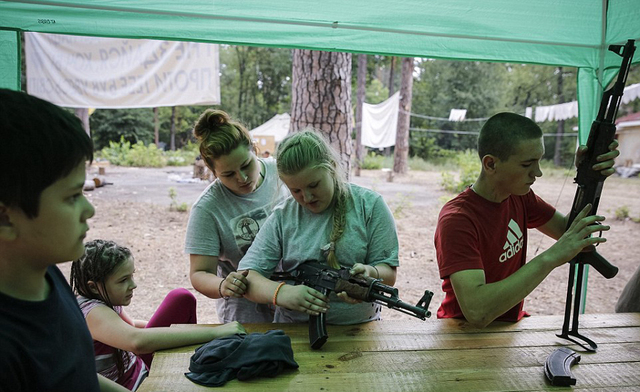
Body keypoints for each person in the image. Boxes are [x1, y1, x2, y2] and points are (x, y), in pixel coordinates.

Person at [434, 112, 619, 328]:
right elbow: (477, 311)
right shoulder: (458, 219)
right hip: (461, 333)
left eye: (539, 161)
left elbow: (566, 231)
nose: (538, 172)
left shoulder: (519, 197)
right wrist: (552, 257)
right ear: (491, 164)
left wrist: (588, 178)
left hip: (507, 326)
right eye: (527, 164)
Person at [0, 89, 127, 391]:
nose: (89, 209)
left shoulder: (47, 276)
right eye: (72, 197)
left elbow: (75, 374)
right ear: (5, 218)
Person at [238, 130, 399, 324]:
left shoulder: (370, 206)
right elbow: (247, 277)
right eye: (295, 190)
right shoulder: (284, 216)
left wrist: (371, 273)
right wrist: (282, 293)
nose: (306, 198)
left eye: (314, 185)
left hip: (361, 330)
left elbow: (388, 274)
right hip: (293, 330)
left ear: (331, 167)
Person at [70, 239, 246, 390]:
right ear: (94, 286)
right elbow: (136, 341)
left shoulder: (105, 300)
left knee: (181, 298)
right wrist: (215, 332)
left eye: (131, 276)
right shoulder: (91, 312)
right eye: (123, 280)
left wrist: (177, 334)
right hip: (132, 386)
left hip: (137, 368)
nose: (133, 285)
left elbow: (131, 326)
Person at [185, 109, 289, 323]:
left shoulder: (283, 172)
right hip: (245, 307)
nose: (241, 178)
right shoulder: (207, 208)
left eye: (246, 165)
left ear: (255, 150)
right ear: (213, 172)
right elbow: (199, 273)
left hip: (293, 294)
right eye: (228, 174)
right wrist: (223, 286)